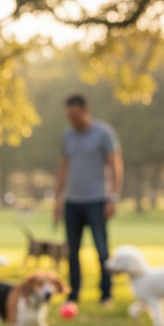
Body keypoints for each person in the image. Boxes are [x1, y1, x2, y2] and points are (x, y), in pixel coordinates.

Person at [53, 94, 123, 307]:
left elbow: (115, 165)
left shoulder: (103, 133)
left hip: (96, 199)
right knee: (72, 251)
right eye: (68, 116)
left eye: (74, 115)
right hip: (72, 201)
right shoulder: (68, 136)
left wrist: (112, 197)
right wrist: (57, 200)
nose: (72, 119)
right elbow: (63, 168)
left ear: (85, 110)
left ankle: (106, 294)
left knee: (101, 250)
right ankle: (73, 293)